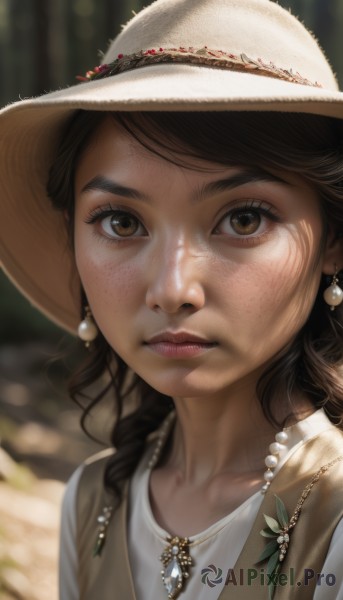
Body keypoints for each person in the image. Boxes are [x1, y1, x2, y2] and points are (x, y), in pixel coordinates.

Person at [1, 0, 343, 598]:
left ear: (333, 242)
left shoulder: (333, 512)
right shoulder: (93, 502)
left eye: (242, 218)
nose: (172, 290)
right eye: (121, 222)